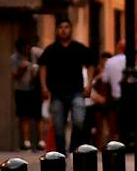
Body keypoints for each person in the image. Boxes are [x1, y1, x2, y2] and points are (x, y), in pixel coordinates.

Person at [37, 18, 95, 154]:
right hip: (57, 92)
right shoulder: (51, 49)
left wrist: (89, 85)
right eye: (61, 27)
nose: (64, 30)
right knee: (58, 125)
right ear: (57, 30)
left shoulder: (78, 48)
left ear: (71, 29)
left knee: (79, 120)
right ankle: (61, 152)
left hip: (76, 91)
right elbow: (43, 67)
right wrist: (44, 87)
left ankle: (74, 147)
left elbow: (91, 65)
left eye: (66, 27)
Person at [10, 37, 42, 151]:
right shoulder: (14, 58)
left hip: (35, 88)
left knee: (38, 116)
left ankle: (40, 141)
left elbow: (45, 60)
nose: (26, 50)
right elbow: (14, 76)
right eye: (23, 48)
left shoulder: (36, 53)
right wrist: (21, 70)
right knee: (24, 115)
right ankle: (25, 141)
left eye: (28, 48)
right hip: (22, 89)